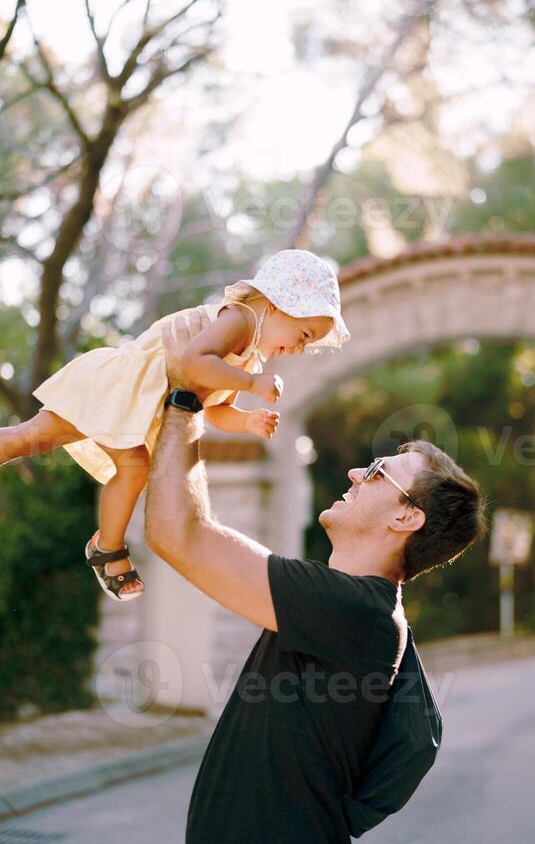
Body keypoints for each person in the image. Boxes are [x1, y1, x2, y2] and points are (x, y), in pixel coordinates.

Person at [143, 320, 487, 844]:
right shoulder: (341, 610)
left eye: (380, 471)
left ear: (406, 516)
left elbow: (179, 534)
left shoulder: (356, 611)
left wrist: (185, 395)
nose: (357, 471)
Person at [0, 249, 349, 602]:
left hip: (132, 403)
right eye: (304, 335)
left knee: (56, 445)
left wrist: (247, 420)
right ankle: (107, 547)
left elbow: (213, 410)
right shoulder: (238, 319)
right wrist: (251, 385)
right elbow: (196, 362)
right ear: (275, 304)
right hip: (119, 387)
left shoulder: (246, 358)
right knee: (48, 443)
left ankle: (106, 546)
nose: (300, 349)